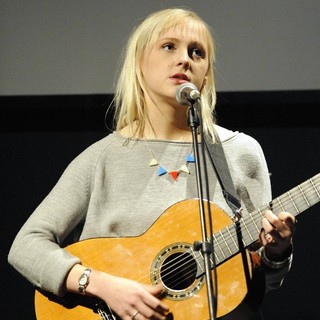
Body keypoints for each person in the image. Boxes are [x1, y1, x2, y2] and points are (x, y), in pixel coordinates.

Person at [8, 7, 296, 320]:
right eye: (169, 46)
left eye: (196, 52)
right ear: (140, 63)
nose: (184, 59)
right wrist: (102, 285)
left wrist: (276, 252)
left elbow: (260, 282)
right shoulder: (101, 158)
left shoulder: (240, 152)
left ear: (206, 75)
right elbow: (26, 245)